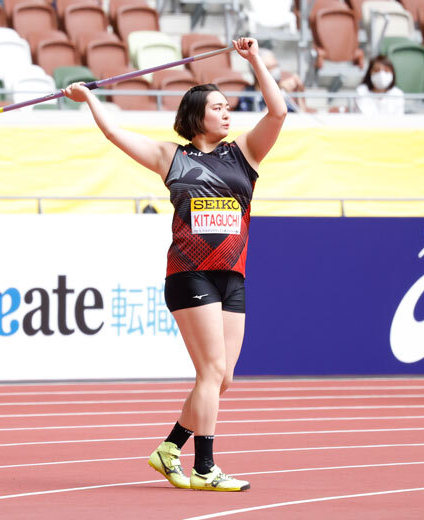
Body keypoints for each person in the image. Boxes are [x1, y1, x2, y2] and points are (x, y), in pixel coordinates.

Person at [62, 37, 286, 491]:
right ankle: (204, 469)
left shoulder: (244, 154)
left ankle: (170, 449)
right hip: (190, 275)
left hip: (232, 276)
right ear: (197, 115)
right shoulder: (173, 157)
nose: (228, 113)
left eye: (229, 107)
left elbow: (278, 112)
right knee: (209, 373)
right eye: (218, 107)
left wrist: (255, 60)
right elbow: (114, 135)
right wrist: (90, 99)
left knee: (222, 379)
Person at [235, 47, 303, 112]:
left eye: (276, 66)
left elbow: (303, 117)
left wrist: (300, 91)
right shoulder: (248, 95)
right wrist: (282, 93)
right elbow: (259, 120)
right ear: (257, 72)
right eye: (271, 67)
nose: (276, 70)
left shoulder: (279, 89)